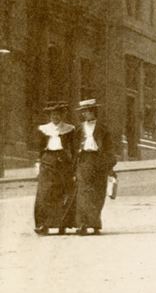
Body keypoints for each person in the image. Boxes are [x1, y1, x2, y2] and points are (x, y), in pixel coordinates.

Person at [72, 99, 117, 236]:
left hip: (99, 161)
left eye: (88, 111)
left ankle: (95, 223)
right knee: (83, 192)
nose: (86, 114)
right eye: (83, 112)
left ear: (94, 112)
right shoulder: (79, 129)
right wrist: (74, 165)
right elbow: (74, 148)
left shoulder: (103, 129)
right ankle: (82, 225)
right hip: (84, 161)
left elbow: (109, 148)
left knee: (98, 192)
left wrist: (109, 165)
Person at [33, 102, 75, 235]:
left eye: (58, 114)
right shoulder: (43, 129)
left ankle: (62, 223)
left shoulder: (69, 129)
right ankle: (42, 224)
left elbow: (73, 149)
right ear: (49, 116)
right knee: (44, 193)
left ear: (62, 115)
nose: (55, 117)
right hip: (47, 160)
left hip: (63, 162)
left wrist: (74, 166)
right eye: (53, 115)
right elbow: (39, 149)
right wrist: (38, 163)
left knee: (63, 192)